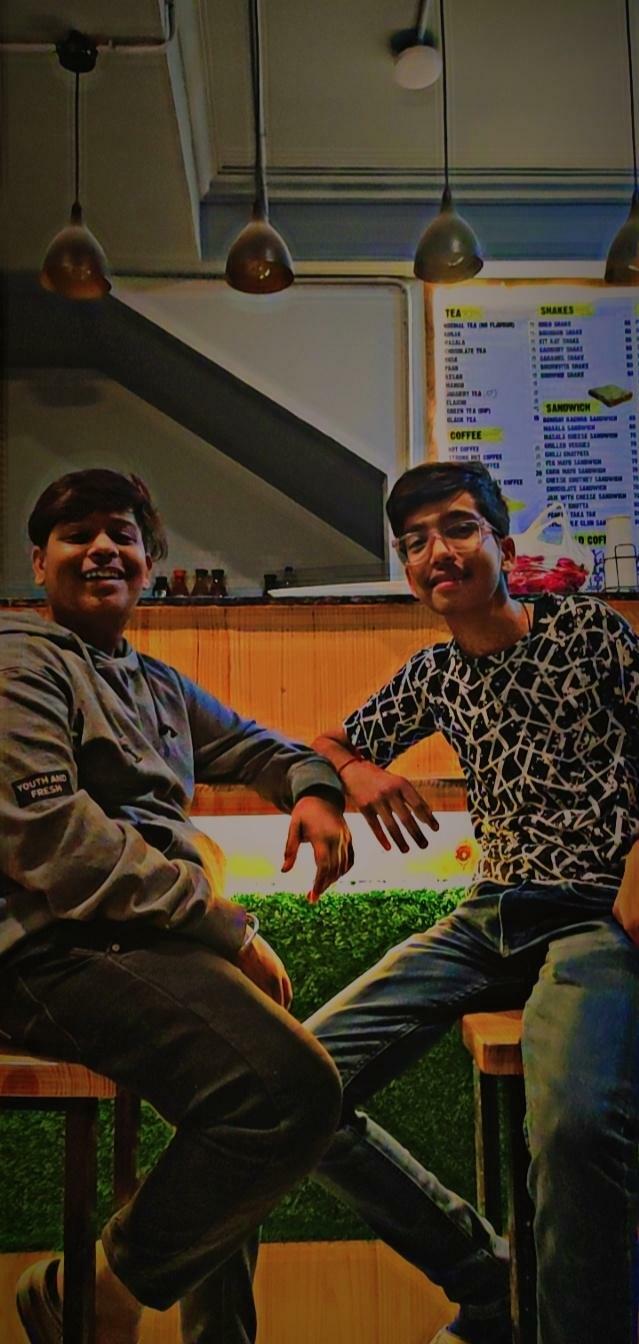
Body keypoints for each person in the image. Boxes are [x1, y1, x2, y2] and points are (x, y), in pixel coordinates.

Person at [0, 467, 353, 1344]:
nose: (101, 549)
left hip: (139, 943)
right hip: (47, 951)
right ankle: (93, 1295)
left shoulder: (153, 683)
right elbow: (55, 843)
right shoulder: (18, 662)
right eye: (76, 534)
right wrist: (225, 927)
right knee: (287, 1092)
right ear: (39, 562)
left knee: (267, 1088)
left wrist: (316, 790)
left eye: (121, 534)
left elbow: (260, 748)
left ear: (148, 562)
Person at [307, 460, 639, 1344]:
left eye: (457, 528)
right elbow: (327, 742)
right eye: (413, 542)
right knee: (293, 1086)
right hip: (488, 917)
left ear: (502, 543)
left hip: (595, 915)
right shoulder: (433, 674)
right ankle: (485, 1280)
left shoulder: (585, 630)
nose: (436, 553)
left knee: (575, 1131)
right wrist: (356, 773)